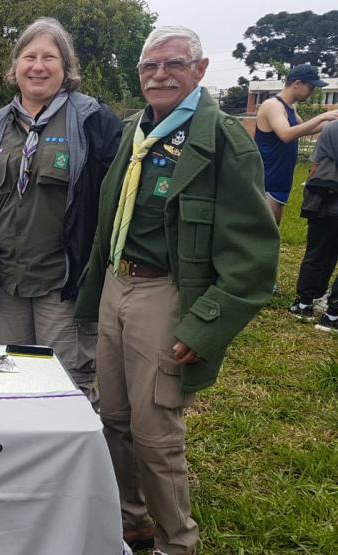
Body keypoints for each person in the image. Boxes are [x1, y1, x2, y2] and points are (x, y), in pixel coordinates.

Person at [74, 26, 280, 555]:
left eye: (174, 64)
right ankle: (132, 520)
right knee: (113, 418)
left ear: (200, 70)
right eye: (150, 66)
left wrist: (206, 323)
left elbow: (254, 258)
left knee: (155, 431)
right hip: (118, 284)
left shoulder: (224, 143)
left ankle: (176, 542)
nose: (160, 74)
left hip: (165, 293)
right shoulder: (133, 131)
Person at [0, 18, 122, 405]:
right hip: (7, 280)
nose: (38, 66)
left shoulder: (94, 121)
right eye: (29, 56)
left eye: (50, 57)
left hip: (62, 282)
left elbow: (112, 199)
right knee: (12, 378)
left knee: (67, 385)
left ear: (66, 69)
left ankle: (70, 465)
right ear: (15, 68)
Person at [254, 64, 338, 225]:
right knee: (264, 234)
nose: (312, 92)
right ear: (297, 83)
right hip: (267, 181)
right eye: (311, 87)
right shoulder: (273, 106)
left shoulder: (290, 107)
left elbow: (304, 129)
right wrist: (322, 117)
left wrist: (330, 123)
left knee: (272, 231)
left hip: (280, 180)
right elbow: (286, 134)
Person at [289, 121, 338, 332]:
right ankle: (333, 315)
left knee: (316, 252)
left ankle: (304, 303)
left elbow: (314, 167)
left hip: (324, 200)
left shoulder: (331, 128)